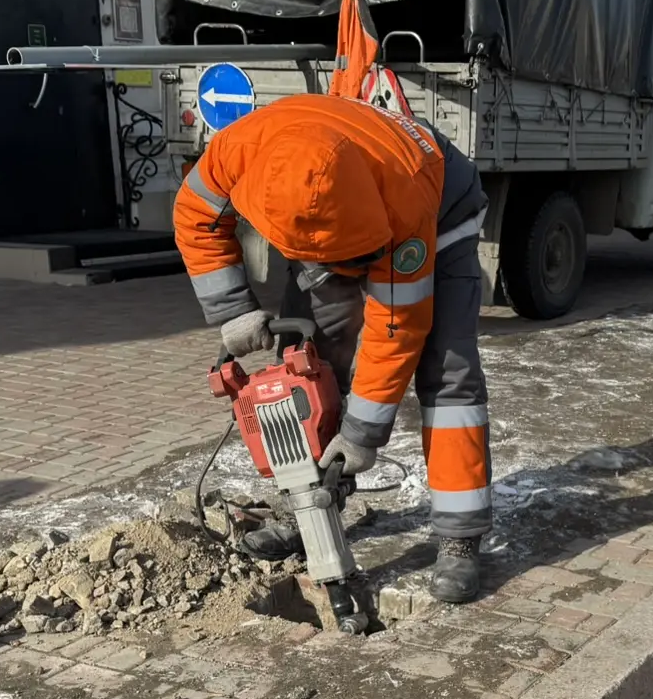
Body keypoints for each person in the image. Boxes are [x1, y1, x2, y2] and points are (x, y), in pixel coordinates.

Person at [173, 94, 491, 604]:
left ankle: (460, 536)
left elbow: (396, 328)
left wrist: (363, 433)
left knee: (447, 370)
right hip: (333, 204)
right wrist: (233, 310)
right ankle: (308, 508)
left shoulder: (405, 201)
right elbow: (195, 215)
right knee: (310, 364)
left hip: (440, 208)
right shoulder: (238, 151)